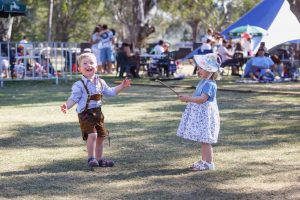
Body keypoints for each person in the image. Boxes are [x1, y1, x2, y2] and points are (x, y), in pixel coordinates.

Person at [60, 52, 131, 168]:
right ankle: (91, 158)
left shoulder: (100, 82)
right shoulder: (79, 85)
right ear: (79, 69)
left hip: (98, 113)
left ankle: (100, 159)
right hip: (85, 114)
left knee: (101, 136)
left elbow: (111, 92)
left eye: (91, 63)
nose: (89, 65)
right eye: (85, 63)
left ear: (96, 66)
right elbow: (74, 98)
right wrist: (66, 106)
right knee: (92, 135)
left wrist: (122, 86)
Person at [177, 53, 221, 171]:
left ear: (210, 70)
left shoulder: (210, 84)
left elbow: (202, 99)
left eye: (202, 68)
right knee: (203, 139)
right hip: (202, 115)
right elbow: (198, 97)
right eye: (199, 68)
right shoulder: (203, 81)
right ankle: (204, 161)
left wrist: (188, 99)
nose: (199, 70)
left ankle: (209, 163)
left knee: (206, 140)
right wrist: (188, 99)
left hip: (206, 116)